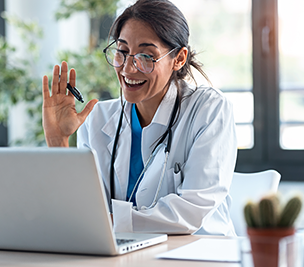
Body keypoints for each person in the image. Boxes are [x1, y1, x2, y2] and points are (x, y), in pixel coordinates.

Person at [42, 0, 237, 236]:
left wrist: (110, 222)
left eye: (146, 56)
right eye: (122, 52)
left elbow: (191, 212)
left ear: (179, 58)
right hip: (125, 254)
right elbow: (80, 210)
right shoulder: (97, 119)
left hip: (198, 252)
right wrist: (58, 141)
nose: (128, 69)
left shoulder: (209, 109)